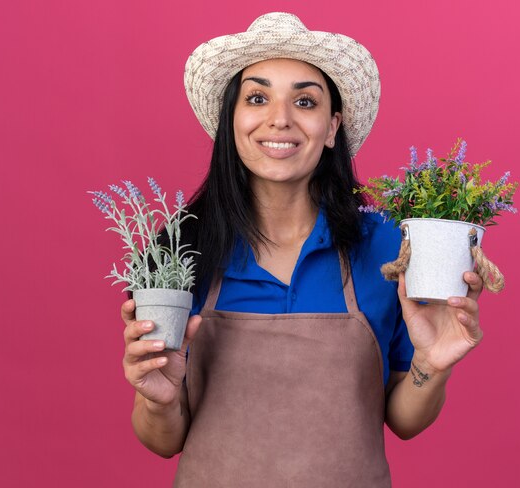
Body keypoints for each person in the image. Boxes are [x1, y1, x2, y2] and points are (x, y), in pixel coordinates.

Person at [121, 12, 483, 487]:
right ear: (232, 121)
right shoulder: (178, 252)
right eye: (256, 97)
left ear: (332, 127)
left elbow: (404, 420)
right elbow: (164, 440)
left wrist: (430, 366)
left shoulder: (389, 250)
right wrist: (158, 399)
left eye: (305, 101)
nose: (280, 119)